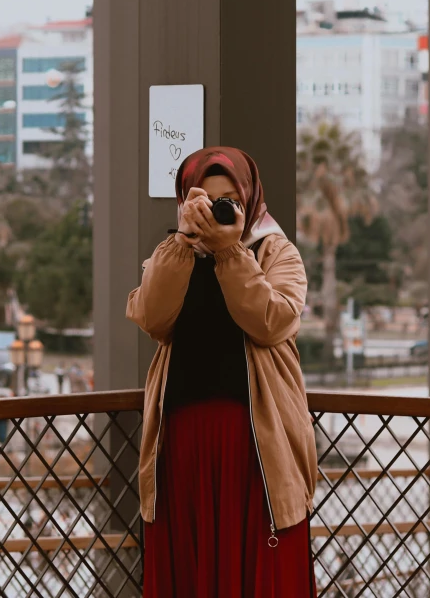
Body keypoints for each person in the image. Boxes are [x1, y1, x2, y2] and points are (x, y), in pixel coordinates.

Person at [126, 147, 319, 597]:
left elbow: (272, 322)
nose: (219, 208)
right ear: (183, 200)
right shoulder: (171, 254)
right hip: (181, 444)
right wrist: (183, 241)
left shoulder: (276, 251)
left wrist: (230, 251)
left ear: (250, 198)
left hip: (257, 448)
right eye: (205, 198)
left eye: (230, 198)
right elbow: (152, 318)